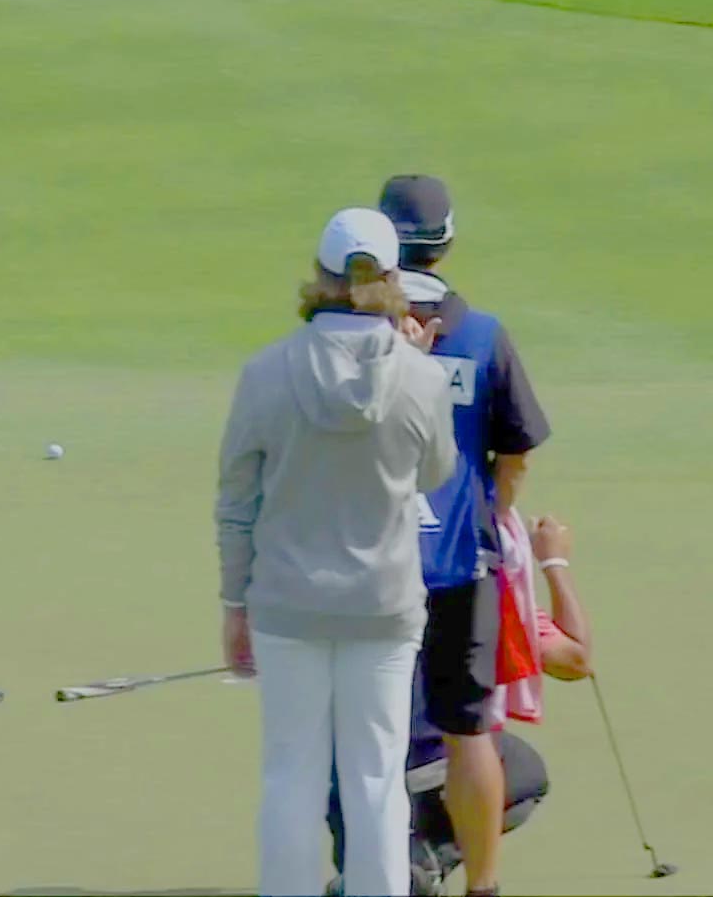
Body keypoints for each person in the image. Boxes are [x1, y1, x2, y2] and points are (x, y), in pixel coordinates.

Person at [216, 207, 458, 897]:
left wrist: (234, 601)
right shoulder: (421, 378)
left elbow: (237, 502)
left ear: (320, 277)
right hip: (382, 607)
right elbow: (435, 472)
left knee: (290, 773)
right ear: (391, 282)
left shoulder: (265, 372)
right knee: (377, 780)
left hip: (287, 604)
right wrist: (419, 361)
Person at [378, 175, 552, 896]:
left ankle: (377, 870)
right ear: (447, 245)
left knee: (369, 731)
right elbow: (513, 458)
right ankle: (481, 886)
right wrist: (486, 519)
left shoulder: (354, 333)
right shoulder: (481, 335)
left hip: (373, 564)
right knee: (468, 730)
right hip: (460, 565)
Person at [325, 511, 594, 896]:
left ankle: (386, 863)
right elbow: (575, 660)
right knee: (522, 770)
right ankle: (428, 860)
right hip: (436, 765)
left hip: (347, 775)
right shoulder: (476, 592)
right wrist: (554, 562)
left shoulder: (345, 580)